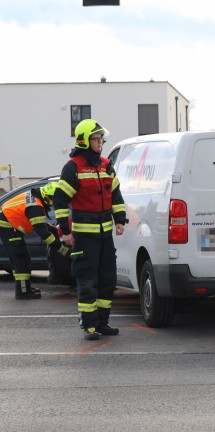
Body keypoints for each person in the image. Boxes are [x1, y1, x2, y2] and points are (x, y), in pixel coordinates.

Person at [54, 119, 128, 341]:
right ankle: (89, 325)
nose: (101, 142)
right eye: (97, 139)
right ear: (85, 141)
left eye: (101, 138)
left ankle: (102, 323)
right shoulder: (73, 167)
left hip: (105, 236)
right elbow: (60, 200)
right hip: (84, 238)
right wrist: (66, 231)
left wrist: (120, 219)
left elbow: (116, 195)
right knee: (87, 281)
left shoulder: (106, 165)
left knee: (108, 280)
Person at [0, 181, 70, 299]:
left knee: (22, 259)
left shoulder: (37, 199)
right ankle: (22, 292)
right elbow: (43, 234)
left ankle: (25, 288)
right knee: (20, 258)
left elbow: (36, 222)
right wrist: (61, 249)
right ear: (48, 197)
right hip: (8, 226)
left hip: (10, 224)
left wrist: (48, 227)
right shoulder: (36, 207)